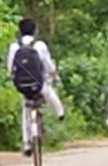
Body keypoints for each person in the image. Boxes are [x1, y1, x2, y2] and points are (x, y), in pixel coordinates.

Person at [6, 18, 65, 156]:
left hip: (21, 85)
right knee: (48, 92)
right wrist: (55, 76)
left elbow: (10, 68)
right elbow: (48, 65)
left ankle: (27, 144)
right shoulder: (40, 45)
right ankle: (60, 112)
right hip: (39, 83)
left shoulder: (14, 47)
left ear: (19, 31)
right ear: (35, 31)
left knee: (25, 110)